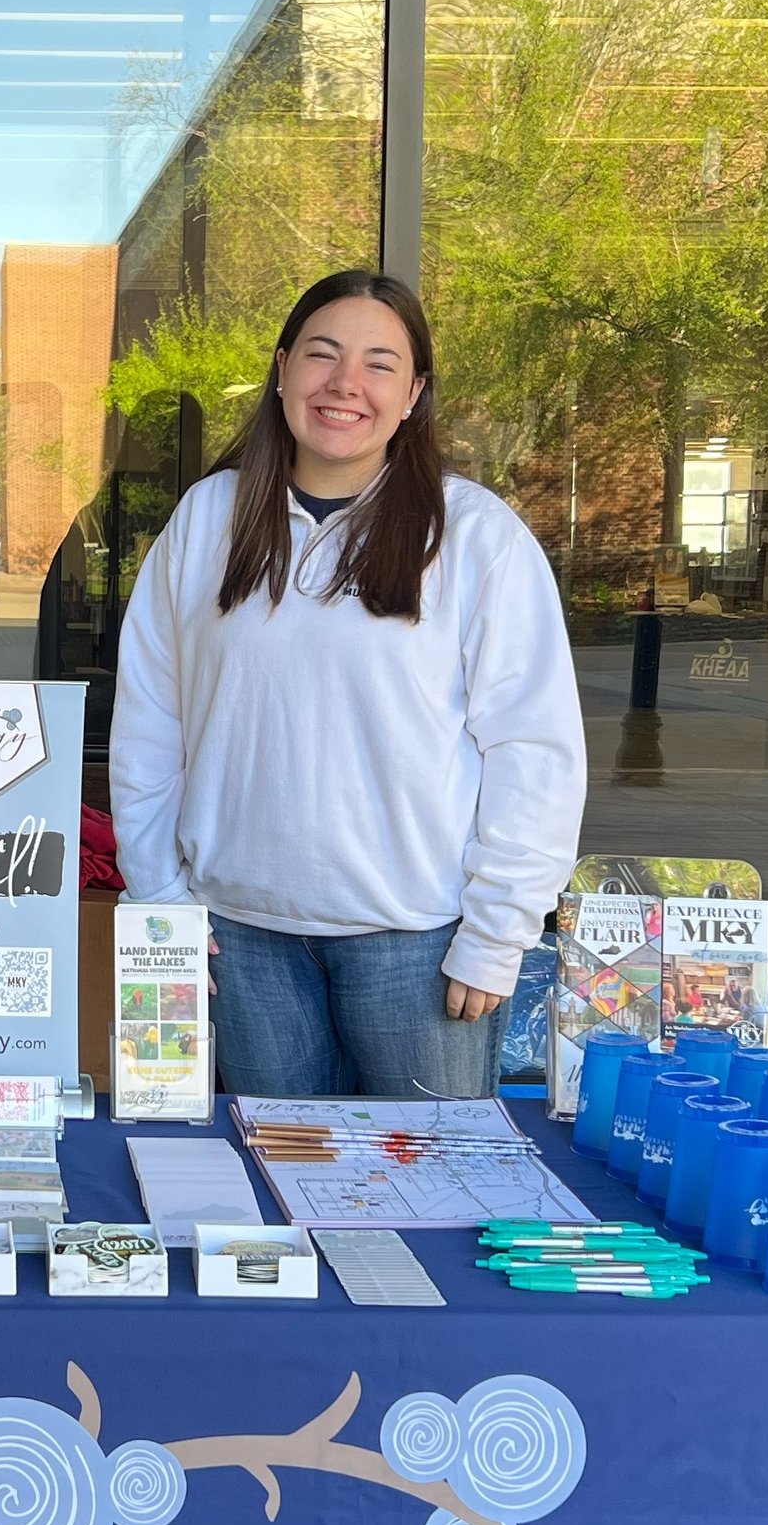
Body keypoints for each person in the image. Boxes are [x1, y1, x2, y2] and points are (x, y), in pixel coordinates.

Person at [109, 270, 585, 1099]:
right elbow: (151, 722)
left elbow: (532, 746)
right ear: (283, 367)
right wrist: (161, 901)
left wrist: (499, 929)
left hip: (420, 947)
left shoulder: (474, 536)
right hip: (238, 940)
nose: (345, 385)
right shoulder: (207, 520)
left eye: (379, 364)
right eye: (323, 355)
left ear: (414, 395)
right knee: (272, 1211)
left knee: (430, 1203)